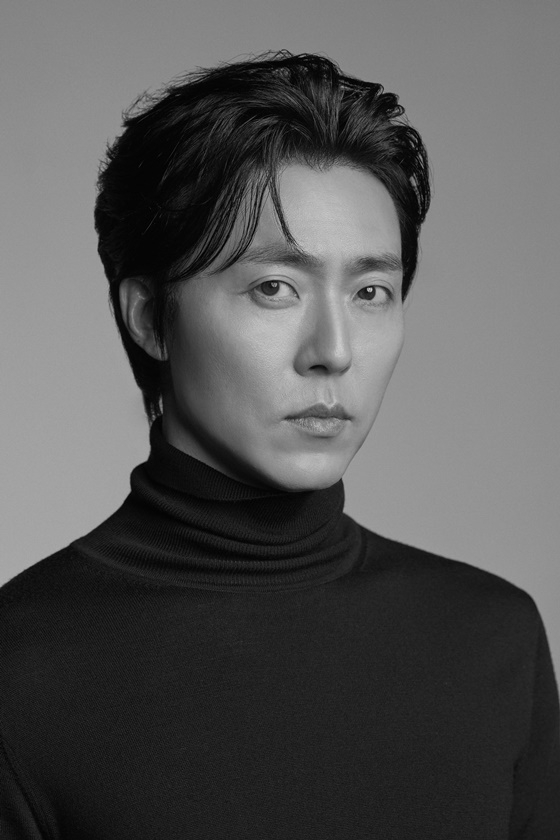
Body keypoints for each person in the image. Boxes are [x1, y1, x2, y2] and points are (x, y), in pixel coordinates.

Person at [1, 52, 558, 839]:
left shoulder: (492, 638)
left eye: (371, 292)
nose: (334, 350)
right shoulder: (22, 672)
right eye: (275, 288)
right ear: (151, 318)